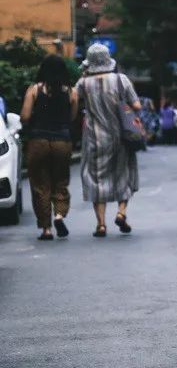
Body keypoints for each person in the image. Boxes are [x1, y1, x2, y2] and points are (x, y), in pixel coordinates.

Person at [76, 43, 141, 238]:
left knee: (96, 179)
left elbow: (73, 104)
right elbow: (136, 105)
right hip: (121, 136)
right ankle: (121, 212)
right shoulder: (121, 80)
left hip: (94, 138)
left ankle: (101, 225)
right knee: (124, 173)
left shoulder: (83, 84)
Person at [19, 55, 78, 240]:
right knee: (60, 181)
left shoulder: (35, 89)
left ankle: (46, 228)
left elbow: (25, 116)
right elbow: (72, 118)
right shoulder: (71, 92)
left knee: (40, 184)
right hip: (62, 141)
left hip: (38, 141)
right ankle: (59, 215)